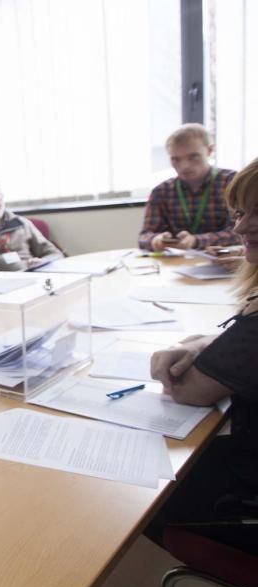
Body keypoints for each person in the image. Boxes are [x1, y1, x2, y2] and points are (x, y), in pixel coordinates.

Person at [147, 156, 258, 555]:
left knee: (139, 489)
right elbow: (237, 343)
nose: (241, 227)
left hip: (246, 503)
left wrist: (183, 357)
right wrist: (199, 344)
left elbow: (190, 390)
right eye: (241, 213)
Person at [138, 123, 237, 251]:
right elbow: (145, 236)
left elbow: (244, 233)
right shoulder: (161, 191)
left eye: (193, 157)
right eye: (175, 159)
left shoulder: (233, 183)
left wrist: (196, 241)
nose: (185, 166)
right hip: (177, 264)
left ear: (209, 151)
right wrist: (155, 240)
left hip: (226, 262)